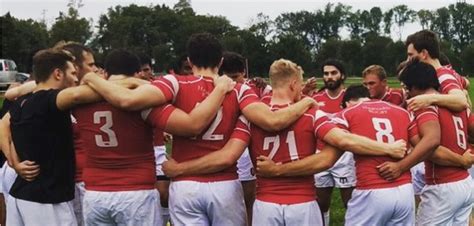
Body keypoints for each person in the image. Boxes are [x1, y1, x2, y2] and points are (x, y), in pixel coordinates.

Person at [81, 33, 316, 226]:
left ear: (190, 61)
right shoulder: (238, 90)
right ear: (221, 62)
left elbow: (127, 101)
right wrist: (305, 100)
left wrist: (93, 79)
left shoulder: (173, 83)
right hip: (224, 185)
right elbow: (271, 121)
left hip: (185, 187)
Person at [161, 59, 408, 226]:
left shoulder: (251, 116)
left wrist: (181, 169)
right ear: (293, 84)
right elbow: (342, 140)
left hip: (266, 205)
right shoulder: (311, 112)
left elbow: (229, 154)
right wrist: (387, 148)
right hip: (302, 204)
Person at [0, 49, 102, 226]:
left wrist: (13, 160)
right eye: (72, 73)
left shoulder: (23, 102)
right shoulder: (50, 100)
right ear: (57, 73)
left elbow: (4, 125)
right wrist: (117, 83)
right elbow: (79, 94)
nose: (76, 79)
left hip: (22, 196)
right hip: (47, 200)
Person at [395, 59, 474, 225]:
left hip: (443, 186)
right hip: (465, 183)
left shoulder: (423, 104)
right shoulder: (457, 104)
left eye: (406, 86)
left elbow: (431, 147)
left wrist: (400, 167)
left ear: (414, 85)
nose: (406, 92)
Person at [312, 58, 354, 225]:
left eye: (333, 73)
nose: (329, 77)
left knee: (349, 203)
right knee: (321, 203)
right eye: (326, 73)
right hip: (320, 153)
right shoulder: (316, 98)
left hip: (344, 155)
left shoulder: (350, 97)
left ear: (342, 75)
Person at [405, 30, 468, 112]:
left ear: (424, 53)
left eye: (410, 55)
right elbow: (466, 83)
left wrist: (429, 98)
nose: (407, 60)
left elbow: (461, 101)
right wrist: (464, 91)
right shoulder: (449, 71)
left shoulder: (442, 76)